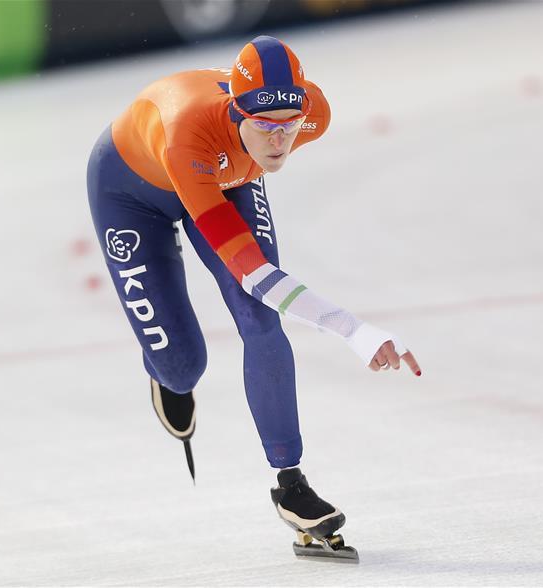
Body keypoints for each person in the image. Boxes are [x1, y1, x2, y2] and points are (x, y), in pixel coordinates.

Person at [86, 35, 420, 558]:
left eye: (288, 124)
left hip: (228, 174)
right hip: (134, 192)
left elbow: (260, 292)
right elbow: (255, 273)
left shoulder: (314, 115)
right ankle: (165, 371)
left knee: (262, 321)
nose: (279, 140)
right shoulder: (187, 136)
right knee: (183, 365)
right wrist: (354, 330)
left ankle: (291, 483)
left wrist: (261, 136)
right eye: (263, 124)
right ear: (237, 110)